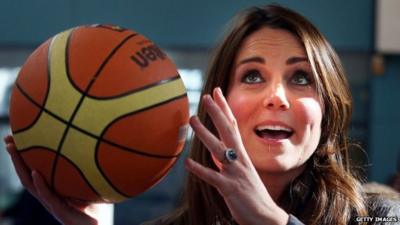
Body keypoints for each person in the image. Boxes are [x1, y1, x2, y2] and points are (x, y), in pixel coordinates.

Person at [3, 4, 399, 225]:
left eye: (301, 77)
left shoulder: (380, 216)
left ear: (327, 110)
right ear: (216, 103)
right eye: (253, 75)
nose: (277, 96)